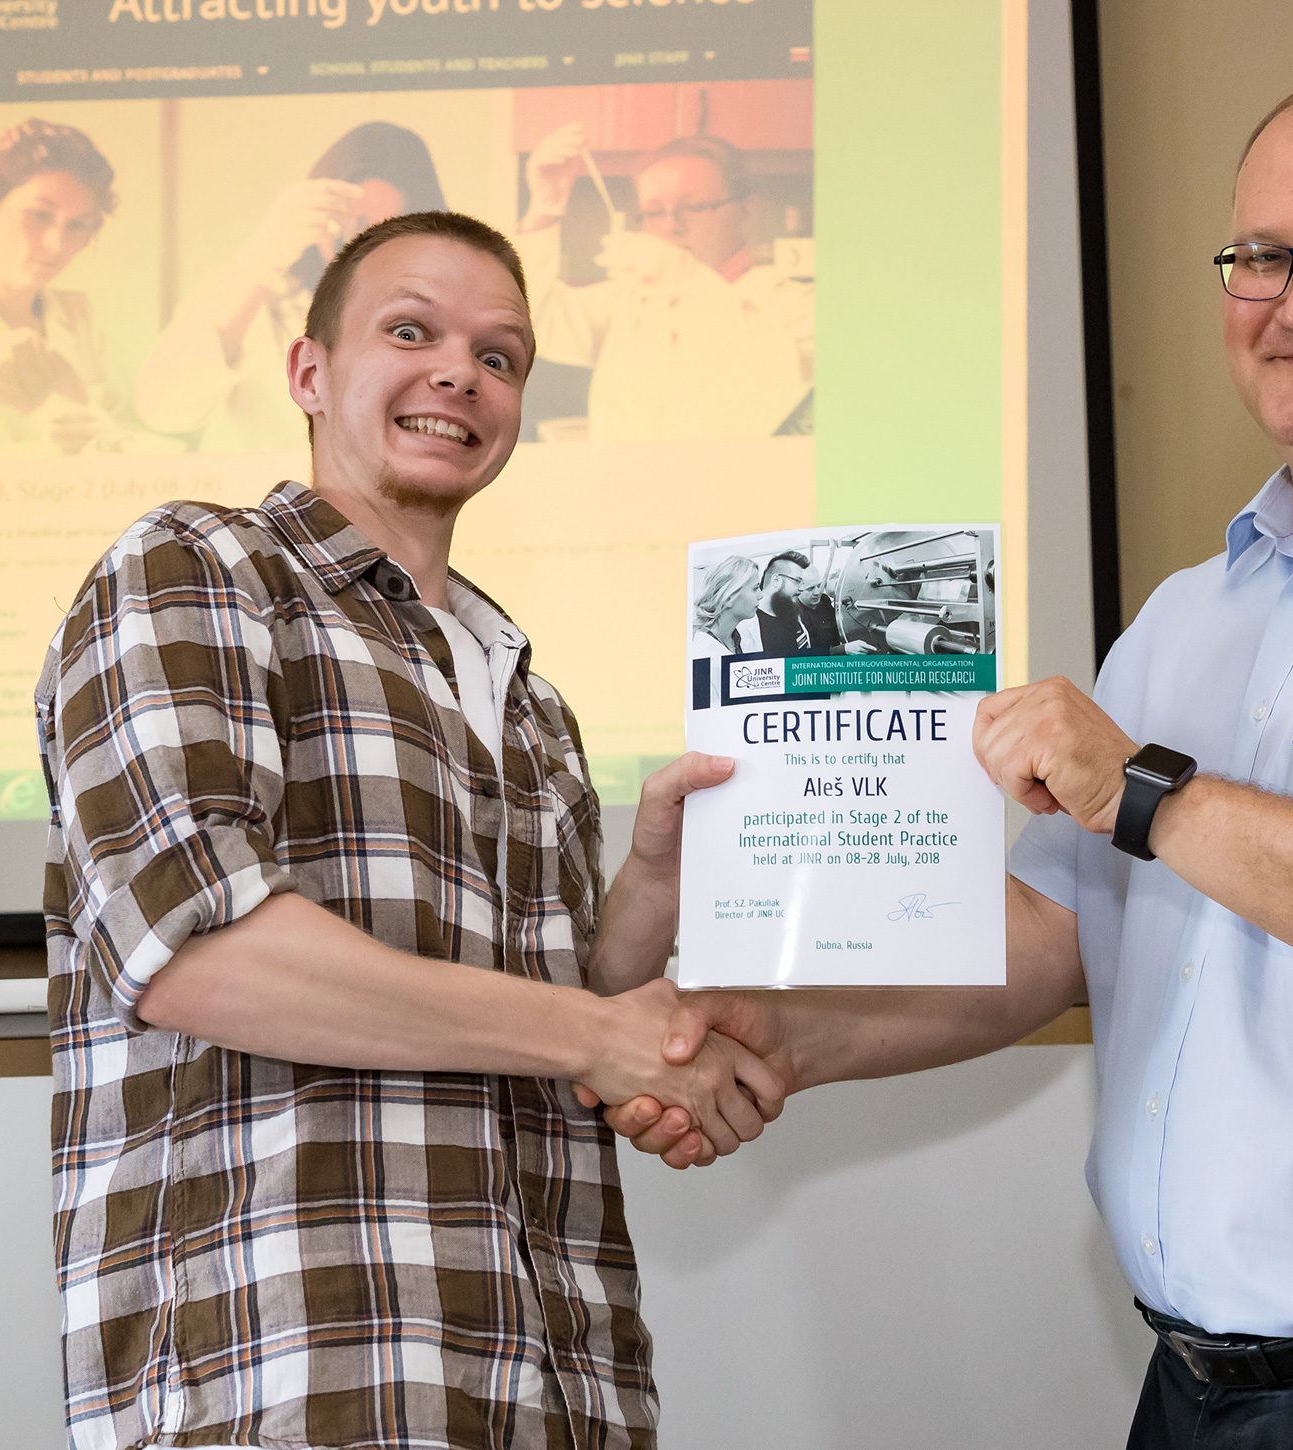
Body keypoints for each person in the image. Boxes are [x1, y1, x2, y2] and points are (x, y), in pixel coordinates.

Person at [599, 63, 1293, 1449]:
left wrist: (1148, 791)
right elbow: (1061, 931)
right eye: (1263, 256)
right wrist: (784, 1037)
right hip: (1196, 1394)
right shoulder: (1192, 612)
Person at [38, 210, 783, 1450]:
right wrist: (601, 1034)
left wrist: (650, 888)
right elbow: (195, 954)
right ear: (308, 372)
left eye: (499, 356)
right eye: (409, 332)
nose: (459, 373)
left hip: (560, 1386)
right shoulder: (199, 566)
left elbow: (556, 1032)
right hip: (287, 1385)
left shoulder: (530, 699)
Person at [136, 122, 446, 452]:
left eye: (386, 234)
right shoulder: (257, 296)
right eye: (352, 226)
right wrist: (264, 256)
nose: (362, 250)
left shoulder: (441, 316)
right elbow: (162, 408)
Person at [518, 127, 811, 441]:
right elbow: (535, 318)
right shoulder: (629, 300)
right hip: (623, 473)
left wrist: (687, 281)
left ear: (747, 211)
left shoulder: (795, 305)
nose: (671, 225)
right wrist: (544, 209)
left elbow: (773, 393)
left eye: (693, 207)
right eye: (655, 211)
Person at [0, 118, 157, 455]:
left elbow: (136, 438)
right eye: (40, 215)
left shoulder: (82, 318)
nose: (56, 244)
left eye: (77, 225)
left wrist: (98, 433)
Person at [755, 550, 838, 655]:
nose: (801, 589)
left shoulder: (789, 611)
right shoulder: (751, 625)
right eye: (797, 581)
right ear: (776, 580)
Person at [691, 552, 765, 657]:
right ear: (728, 598)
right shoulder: (701, 652)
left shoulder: (741, 638)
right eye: (755, 588)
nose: (761, 595)